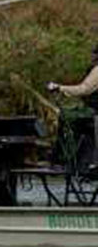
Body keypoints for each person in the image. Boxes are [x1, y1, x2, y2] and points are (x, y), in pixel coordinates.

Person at [47, 44, 98, 172]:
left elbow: (84, 89)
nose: (92, 56)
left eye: (94, 54)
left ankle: (61, 158)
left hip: (94, 112)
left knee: (66, 116)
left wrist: (59, 87)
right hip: (92, 111)